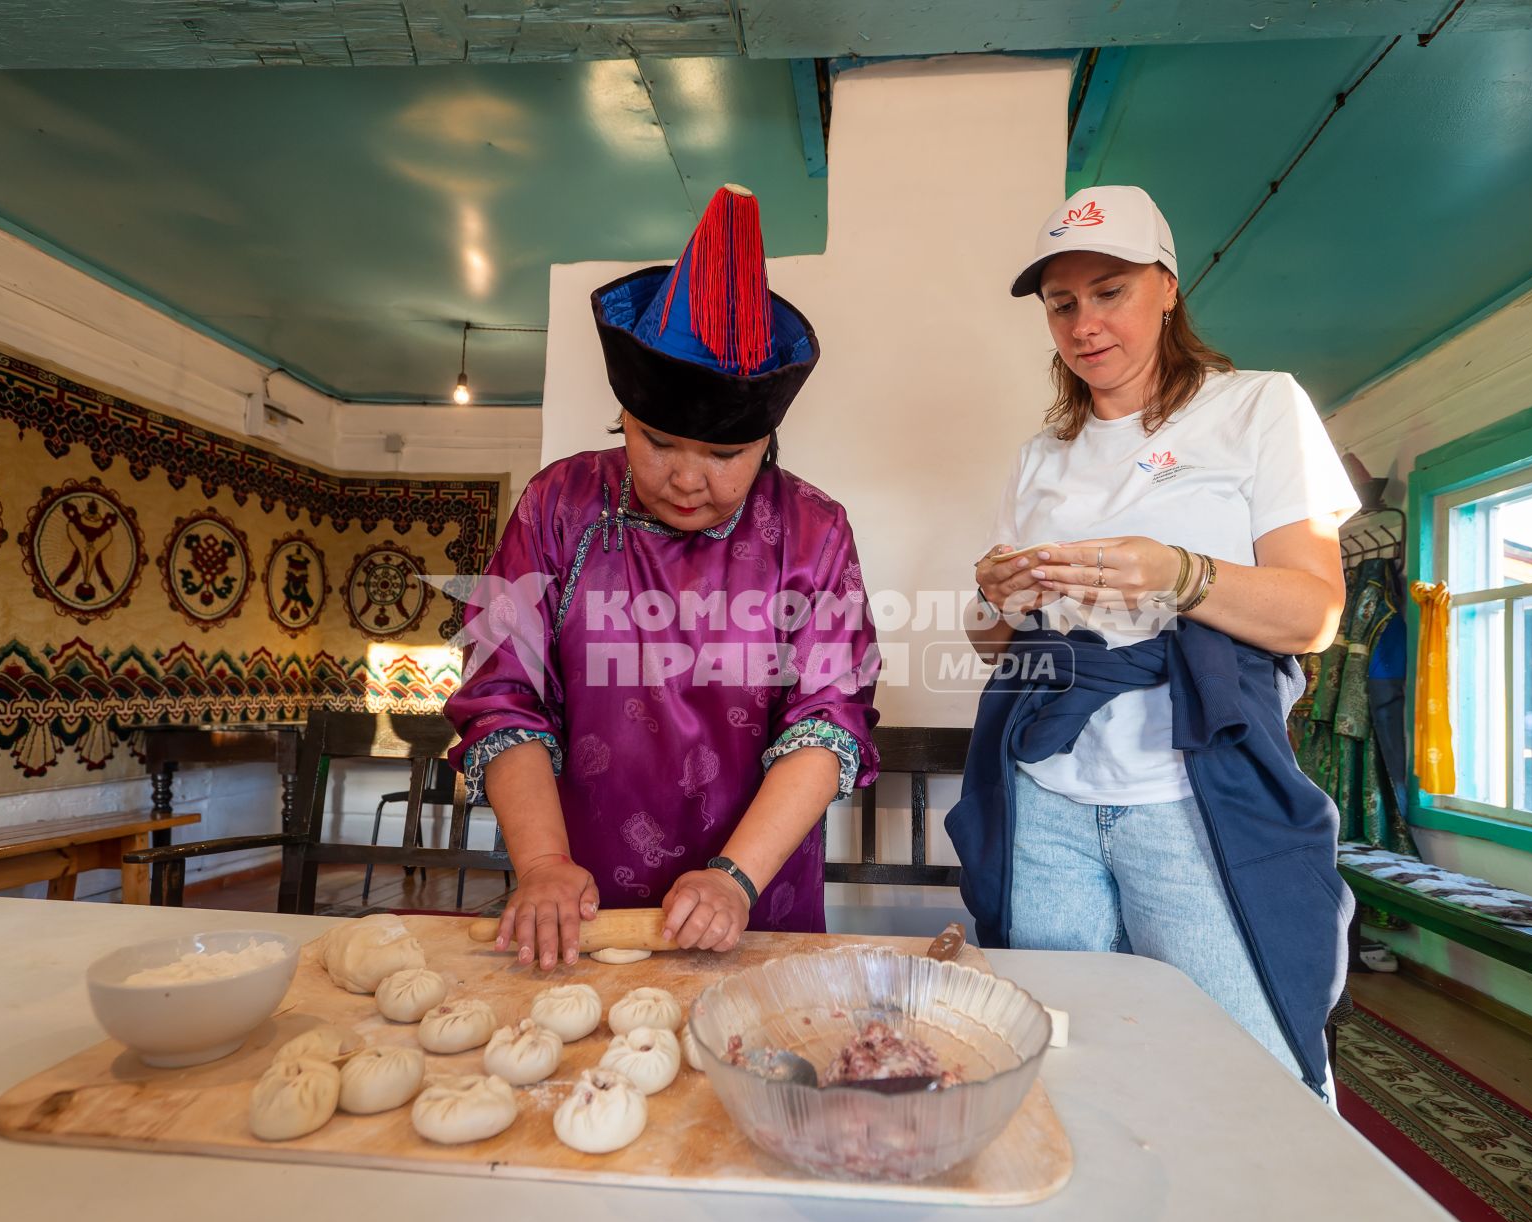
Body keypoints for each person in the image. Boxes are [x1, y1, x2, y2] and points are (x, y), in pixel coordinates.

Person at [947, 186, 1358, 1094]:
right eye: (1063, 303)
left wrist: (1180, 572)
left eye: (1110, 291)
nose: (1086, 323)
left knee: (1244, 1062)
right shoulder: (1042, 455)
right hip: (1047, 790)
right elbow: (996, 645)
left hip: (1188, 784)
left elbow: (1313, 616)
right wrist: (993, 598)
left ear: (1168, 287)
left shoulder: (1258, 408)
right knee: (1062, 1054)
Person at [444, 184, 880, 971]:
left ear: (766, 441)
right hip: (577, 903)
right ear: (625, 417)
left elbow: (827, 721)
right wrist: (542, 864)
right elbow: (502, 692)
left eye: (724, 456)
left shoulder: (815, 532)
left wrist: (735, 880)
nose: (687, 478)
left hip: (757, 902)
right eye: (658, 443)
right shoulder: (557, 505)